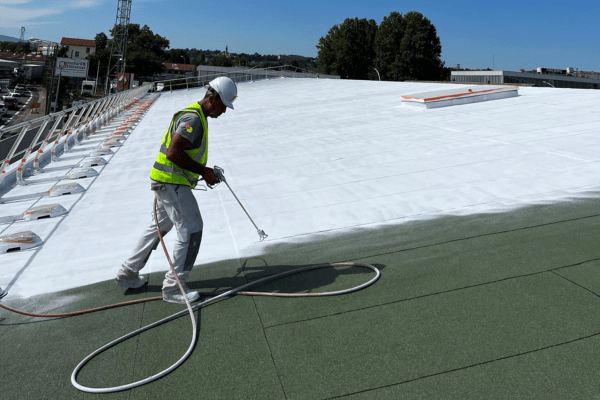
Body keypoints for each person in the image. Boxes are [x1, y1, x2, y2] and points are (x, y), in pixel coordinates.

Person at [114, 76, 238, 304]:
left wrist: (202, 171)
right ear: (212, 98)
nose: (224, 111)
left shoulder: (197, 115)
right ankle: (173, 288)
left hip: (167, 182)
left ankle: (127, 273)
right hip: (171, 183)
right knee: (191, 229)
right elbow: (173, 153)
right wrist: (203, 171)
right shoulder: (194, 118)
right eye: (223, 106)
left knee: (159, 228)